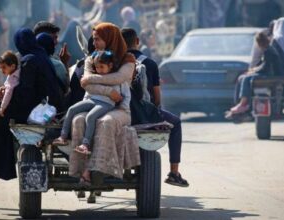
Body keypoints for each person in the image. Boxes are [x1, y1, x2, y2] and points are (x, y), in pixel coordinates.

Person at [0, 28, 64, 185]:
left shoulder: (29, 60)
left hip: (37, 109)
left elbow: (26, 92)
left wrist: (5, 105)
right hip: (44, 107)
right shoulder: (40, 56)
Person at [68, 22, 138, 182]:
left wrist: (91, 79)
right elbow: (87, 86)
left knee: (106, 122)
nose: (94, 43)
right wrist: (109, 91)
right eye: (93, 39)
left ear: (110, 39)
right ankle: (81, 171)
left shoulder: (128, 59)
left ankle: (97, 169)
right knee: (78, 119)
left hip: (119, 109)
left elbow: (119, 78)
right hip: (93, 103)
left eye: (98, 39)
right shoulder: (91, 59)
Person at [121, 27, 189, 187]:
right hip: (144, 114)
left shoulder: (114, 61)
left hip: (119, 111)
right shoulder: (149, 63)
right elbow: (157, 98)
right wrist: (155, 111)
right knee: (176, 123)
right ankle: (174, 172)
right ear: (137, 42)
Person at [54, 50, 131, 166]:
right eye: (97, 67)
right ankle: (63, 136)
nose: (99, 70)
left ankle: (85, 144)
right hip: (91, 100)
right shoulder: (94, 77)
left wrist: (122, 108)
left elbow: (126, 95)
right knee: (71, 109)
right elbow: (88, 91)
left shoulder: (116, 79)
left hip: (106, 104)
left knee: (91, 116)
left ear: (110, 66)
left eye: (102, 67)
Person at [227, 21, 284, 117]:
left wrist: (254, 71)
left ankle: (243, 104)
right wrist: (253, 70)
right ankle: (241, 105)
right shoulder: (270, 48)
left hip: (270, 74)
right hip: (271, 73)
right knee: (242, 77)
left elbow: (266, 67)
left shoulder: (269, 50)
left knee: (245, 78)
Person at [0, 51, 20, 117]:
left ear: (13, 66)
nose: (2, 70)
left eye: (4, 67)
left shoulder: (13, 77)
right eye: (1, 68)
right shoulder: (13, 73)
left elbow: (8, 92)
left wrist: (2, 107)